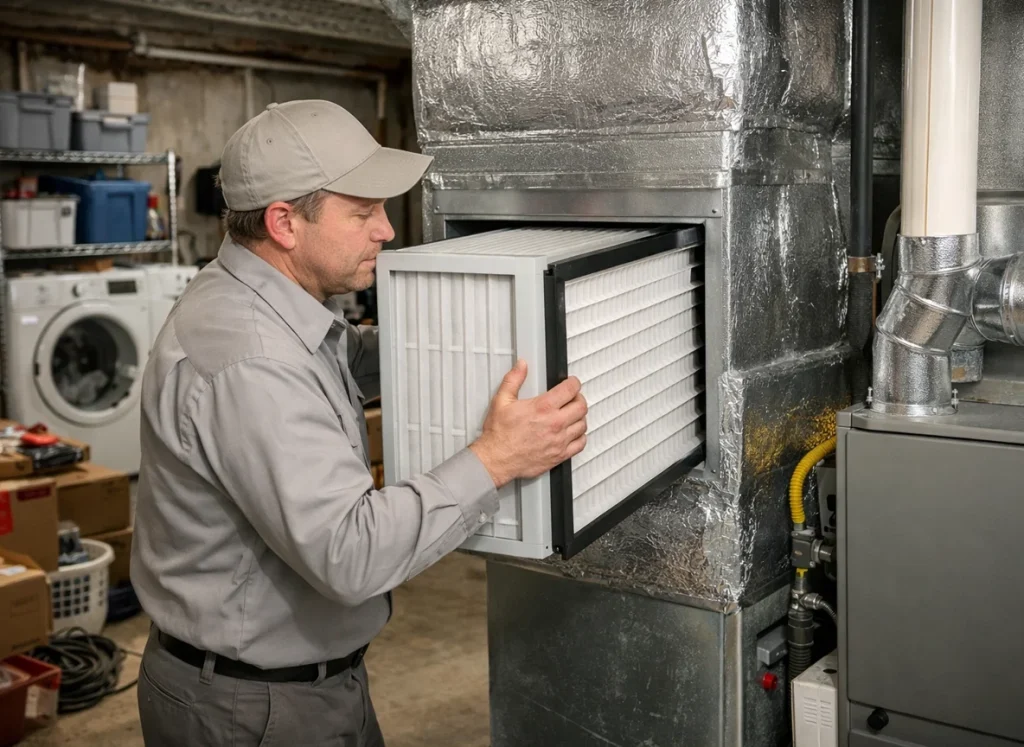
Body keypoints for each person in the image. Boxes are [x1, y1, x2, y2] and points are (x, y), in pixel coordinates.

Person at [130, 99, 588, 746]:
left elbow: (343, 357)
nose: (387, 230)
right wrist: (497, 458)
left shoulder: (259, 297)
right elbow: (351, 554)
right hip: (254, 711)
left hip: (299, 685)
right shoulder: (252, 360)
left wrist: (472, 327)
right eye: (362, 212)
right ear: (284, 223)